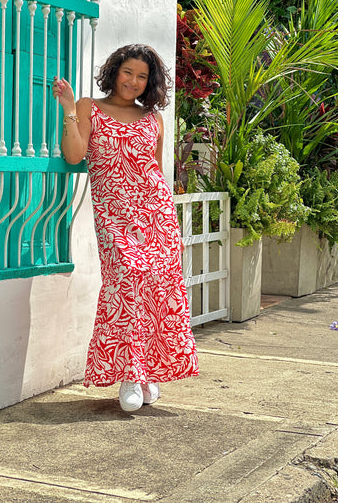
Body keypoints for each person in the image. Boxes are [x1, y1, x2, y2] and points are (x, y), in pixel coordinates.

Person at [52, 44, 199, 412]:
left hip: (157, 214)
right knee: (127, 283)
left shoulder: (154, 119)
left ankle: (145, 373)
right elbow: (74, 155)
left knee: (157, 290)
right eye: (128, 72)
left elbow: (158, 172)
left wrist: (168, 221)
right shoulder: (90, 107)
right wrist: (69, 110)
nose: (133, 81)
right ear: (115, 71)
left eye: (142, 76)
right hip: (115, 216)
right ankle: (130, 374)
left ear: (150, 82)